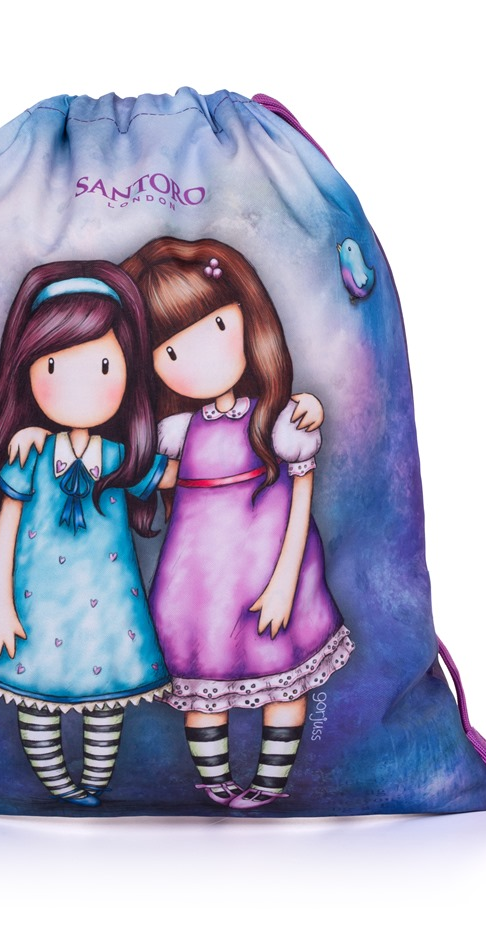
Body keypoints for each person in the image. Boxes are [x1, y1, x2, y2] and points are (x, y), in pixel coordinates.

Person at [121, 236, 354, 810]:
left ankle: (271, 779)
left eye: (217, 328)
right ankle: (215, 779)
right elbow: (163, 479)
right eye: (171, 351)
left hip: (268, 563)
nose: (197, 358)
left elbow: (302, 495)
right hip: (199, 575)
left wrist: (284, 583)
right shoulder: (179, 429)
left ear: (248, 321)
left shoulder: (277, 422)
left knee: (283, 669)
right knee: (203, 673)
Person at [0, 260, 172, 806]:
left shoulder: (119, 457)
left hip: (107, 606)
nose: (80, 385)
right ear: (27, 367)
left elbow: (176, 474)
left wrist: (253, 431)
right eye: (54, 364)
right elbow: (7, 528)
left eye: (103, 365)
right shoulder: (30, 452)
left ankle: (94, 783)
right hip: (36, 600)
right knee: (34, 697)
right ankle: (60, 785)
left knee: (108, 700)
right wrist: (0, 604)